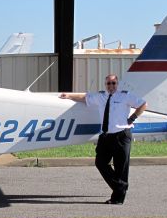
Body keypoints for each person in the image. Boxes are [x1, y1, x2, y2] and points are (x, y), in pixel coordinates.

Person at [59, 74, 147, 204]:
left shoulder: (125, 96)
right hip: (106, 136)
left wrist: (132, 118)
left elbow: (143, 104)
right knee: (100, 162)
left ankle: (117, 198)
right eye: (108, 83)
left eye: (113, 83)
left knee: (120, 167)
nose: (111, 86)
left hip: (122, 134)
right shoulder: (100, 96)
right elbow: (85, 97)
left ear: (117, 84)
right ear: (105, 85)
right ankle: (120, 187)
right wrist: (69, 96)